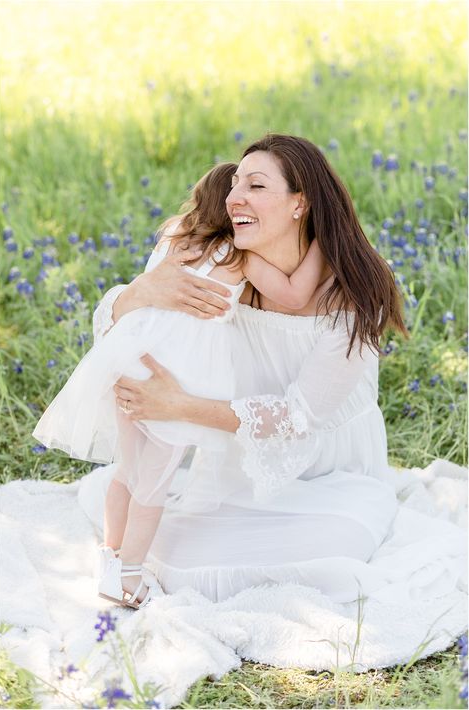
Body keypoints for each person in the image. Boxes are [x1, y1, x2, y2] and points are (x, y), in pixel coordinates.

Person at [85, 134, 427, 608]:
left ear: (298, 203)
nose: (235, 196)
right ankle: (121, 562)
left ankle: (126, 560)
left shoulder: (347, 290)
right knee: (172, 541)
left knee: (332, 546)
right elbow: (118, 327)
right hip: (235, 459)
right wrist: (140, 291)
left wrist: (178, 405)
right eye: (234, 183)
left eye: (256, 185)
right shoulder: (228, 267)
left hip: (327, 468)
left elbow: (299, 417)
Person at [32, 159, 327, 609]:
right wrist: (322, 247)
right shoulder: (237, 254)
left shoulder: (174, 235)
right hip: (180, 376)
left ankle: (110, 556)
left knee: (126, 473)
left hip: (132, 360)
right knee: (155, 482)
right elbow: (292, 295)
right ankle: (128, 575)